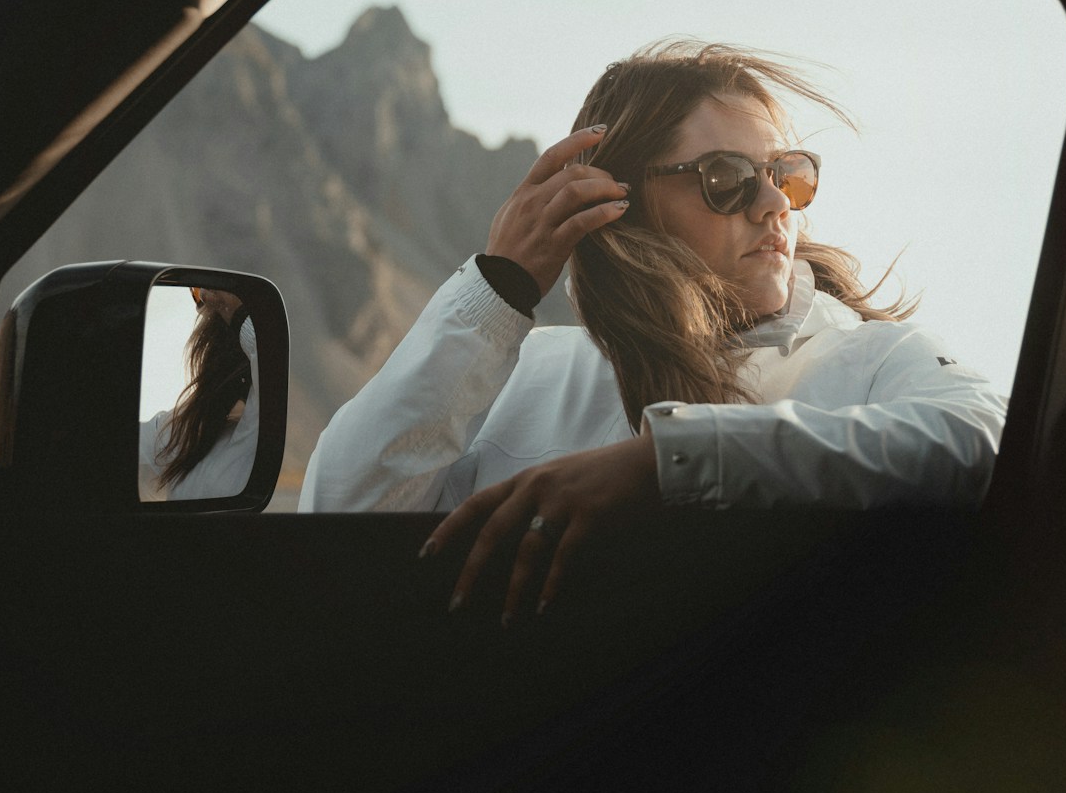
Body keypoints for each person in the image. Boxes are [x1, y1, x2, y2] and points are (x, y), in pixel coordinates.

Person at [300, 40, 1006, 624]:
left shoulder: (874, 360)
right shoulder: (524, 369)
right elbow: (344, 518)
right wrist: (496, 291)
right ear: (619, 204)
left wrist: (667, 463)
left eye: (787, 175)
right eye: (726, 177)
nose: (771, 205)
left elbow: (982, 446)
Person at [138, 288, 260, 501]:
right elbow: (121, 441)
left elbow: (270, 357)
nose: (204, 296)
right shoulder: (189, 426)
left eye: (214, 289)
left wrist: (237, 313)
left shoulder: (262, 422)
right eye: (196, 291)